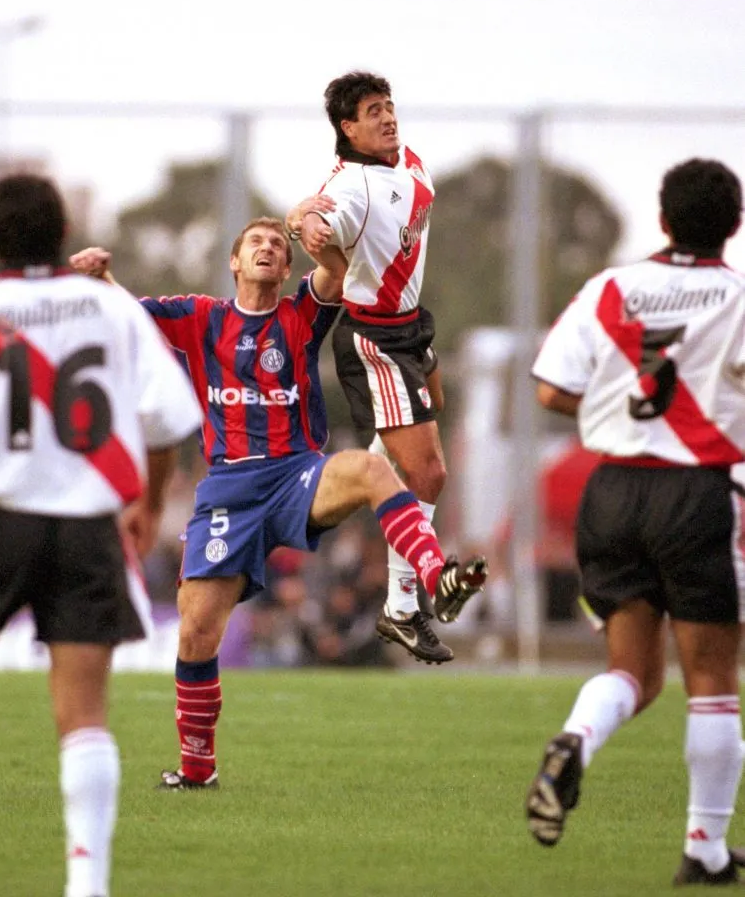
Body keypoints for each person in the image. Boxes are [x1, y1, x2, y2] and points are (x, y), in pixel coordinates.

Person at [70, 207, 482, 790]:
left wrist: (315, 235)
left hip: (296, 474)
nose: (266, 247)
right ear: (234, 261)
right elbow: (127, 319)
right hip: (228, 492)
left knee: (369, 467)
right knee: (195, 633)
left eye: (275, 244)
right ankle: (196, 771)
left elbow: (337, 278)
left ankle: (433, 575)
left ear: (287, 267)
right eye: (255, 242)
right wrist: (99, 278)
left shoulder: (300, 315)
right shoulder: (200, 316)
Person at [0, 173, 203, 897]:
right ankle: (85, 888)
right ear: (63, 234)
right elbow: (166, 420)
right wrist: (149, 504)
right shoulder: (111, 310)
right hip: (89, 528)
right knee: (83, 714)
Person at [524, 158, 745, 885]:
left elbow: (551, 388)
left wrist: (615, 410)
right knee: (711, 677)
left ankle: (573, 744)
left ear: (661, 218)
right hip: (696, 494)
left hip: (610, 491)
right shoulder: (738, 296)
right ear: (734, 224)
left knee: (631, 672)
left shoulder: (609, 287)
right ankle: (704, 849)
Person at [285, 70, 487, 663]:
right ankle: (408, 601)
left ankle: (348, 490)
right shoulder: (353, 189)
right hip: (374, 337)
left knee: (413, 445)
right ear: (347, 128)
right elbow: (320, 223)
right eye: (372, 111)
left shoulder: (412, 162)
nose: (387, 117)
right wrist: (305, 221)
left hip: (410, 327)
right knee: (428, 475)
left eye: (389, 106)